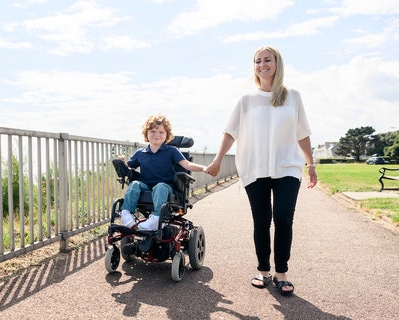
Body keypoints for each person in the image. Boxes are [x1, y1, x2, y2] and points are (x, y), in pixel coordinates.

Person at [205, 46, 317, 296]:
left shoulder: (293, 97)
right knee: (262, 221)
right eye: (257, 61)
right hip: (255, 169)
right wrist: (217, 161)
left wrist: (311, 164)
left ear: (277, 63)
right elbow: (230, 132)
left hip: (286, 167)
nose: (262, 64)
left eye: (267, 60)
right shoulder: (246, 100)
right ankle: (264, 271)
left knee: (284, 219)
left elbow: (303, 134)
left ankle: (282, 273)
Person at [118, 114, 210, 231]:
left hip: (167, 187)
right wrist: (122, 161)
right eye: (153, 131)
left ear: (167, 135)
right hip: (146, 186)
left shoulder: (172, 151)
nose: (157, 135)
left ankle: (156, 218)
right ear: (146, 133)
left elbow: (186, 165)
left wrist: (204, 168)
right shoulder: (141, 153)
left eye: (161, 132)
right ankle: (126, 214)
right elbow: (128, 166)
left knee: (160, 187)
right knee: (134, 184)